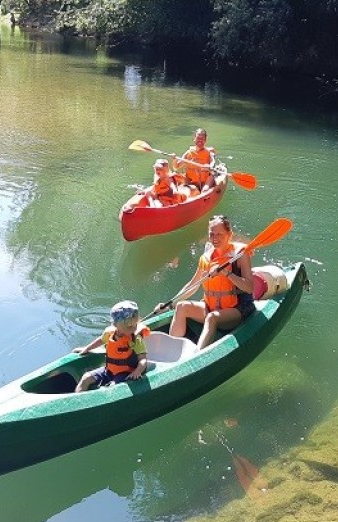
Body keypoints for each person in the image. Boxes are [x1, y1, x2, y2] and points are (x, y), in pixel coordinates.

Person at [155, 215, 255, 350]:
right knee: (181, 307)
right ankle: (171, 351)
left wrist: (227, 273)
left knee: (212, 318)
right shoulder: (206, 258)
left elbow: (249, 287)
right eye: (211, 234)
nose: (215, 238)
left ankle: (197, 356)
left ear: (229, 234)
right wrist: (170, 304)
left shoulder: (240, 255)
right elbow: (192, 285)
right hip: (210, 307)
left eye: (219, 234)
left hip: (237, 309)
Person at [73, 300, 149, 392]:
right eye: (129, 327)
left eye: (135, 325)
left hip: (126, 373)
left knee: (112, 388)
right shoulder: (109, 333)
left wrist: (137, 371)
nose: (133, 328)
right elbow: (101, 340)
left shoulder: (135, 339)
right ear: (116, 324)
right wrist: (87, 348)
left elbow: (143, 360)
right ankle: (78, 399)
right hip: (109, 371)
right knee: (86, 378)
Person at [173, 128, 216, 193]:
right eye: (198, 138)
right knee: (174, 176)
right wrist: (174, 159)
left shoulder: (208, 152)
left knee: (205, 190)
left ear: (205, 140)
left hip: (205, 181)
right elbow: (176, 167)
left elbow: (213, 162)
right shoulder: (188, 153)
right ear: (194, 138)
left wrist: (209, 166)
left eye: (202, 139)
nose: (200, 140)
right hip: (191, 182)